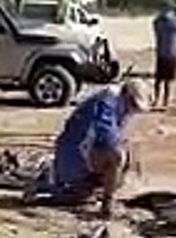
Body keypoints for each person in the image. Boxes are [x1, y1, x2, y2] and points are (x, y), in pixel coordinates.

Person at [45, 79, 150, 219]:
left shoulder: (119, 104)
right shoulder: (106, 102)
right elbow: (106, 134)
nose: (133, 110)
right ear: (126, 94)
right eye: (133, 104)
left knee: (125, 154)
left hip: (84, 153)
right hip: (73, 156)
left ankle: (96, 188)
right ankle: (107, 205)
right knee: (117, 155)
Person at [152, 0, 176, 108]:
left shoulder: (158, 21)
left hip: (162, 52)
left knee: (159, 80)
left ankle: (158, 100)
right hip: (171, 53)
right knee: (167, 80)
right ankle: (165, 102)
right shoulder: (173, 22)